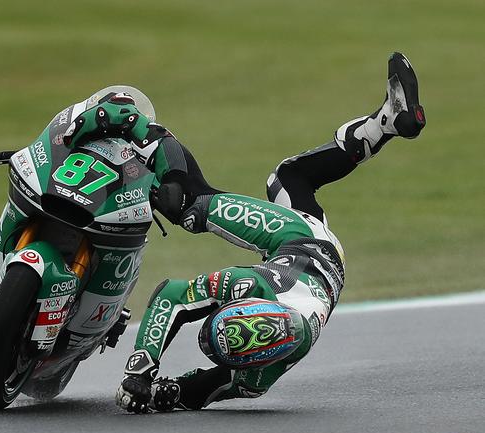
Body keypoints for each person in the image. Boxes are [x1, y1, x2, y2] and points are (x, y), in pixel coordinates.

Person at [64, 52, 426, 413]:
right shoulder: (247, 288)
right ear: (247, 303)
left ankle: (385, 125)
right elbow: (170, 295)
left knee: (290, 180)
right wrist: (138, 373)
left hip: (330, 269)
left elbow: (203, 390)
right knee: (191, 206)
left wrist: (163, 392)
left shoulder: (257, 379)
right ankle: (130, 121)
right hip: (299, 239)